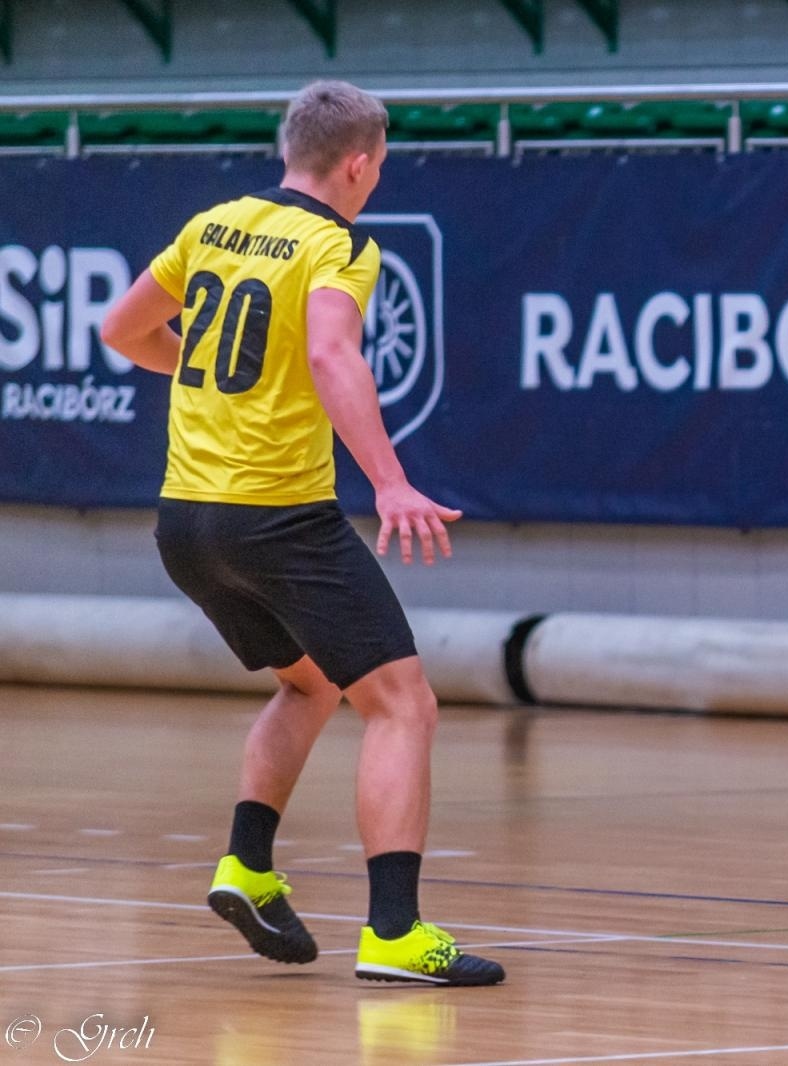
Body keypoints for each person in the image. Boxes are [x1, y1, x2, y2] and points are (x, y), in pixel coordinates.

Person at [101, 80, 505, 983]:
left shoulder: (213, 224)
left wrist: (212, 380)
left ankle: (246, 865)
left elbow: (123, 330)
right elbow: (330, 352)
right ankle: (395, 934)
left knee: (310, 683)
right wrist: (391, 482)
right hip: (277, 516)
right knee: (404, 704)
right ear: (358, 163)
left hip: (186, 520)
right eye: (379, 167)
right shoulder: (338, 244)